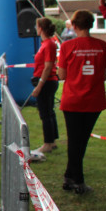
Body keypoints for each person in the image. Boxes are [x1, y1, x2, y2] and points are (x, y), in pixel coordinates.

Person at [57, 10, 106, 194]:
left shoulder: (67, 46)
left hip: (73, 100)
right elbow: (104, 75)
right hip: (93, 101)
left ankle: (73, 179)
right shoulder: (103, 46)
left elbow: (62, 75)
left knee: (74, 140)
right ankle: (73, 178)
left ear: (74, 25)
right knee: (81, 141)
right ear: (91, 24)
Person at [29, 17, 59, 161]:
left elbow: (48, 67)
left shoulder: (49, 44)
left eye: (37, 26)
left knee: (45, 113)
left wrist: (39, 86)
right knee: (49, 111)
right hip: (47, 81)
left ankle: (48, 143)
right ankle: (52, 141)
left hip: (47, 82)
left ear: (41, 28)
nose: (36, 29)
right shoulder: (46, 44)